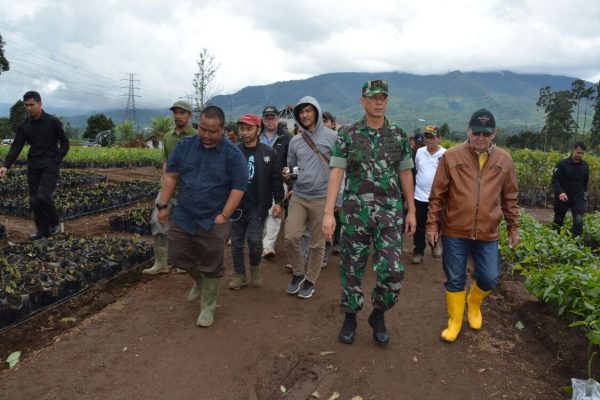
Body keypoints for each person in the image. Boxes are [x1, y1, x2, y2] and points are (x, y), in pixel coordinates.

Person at [322, 80, 416, 346]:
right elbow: (337, 172)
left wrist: (411, 210)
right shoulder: (348, 134)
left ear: (387, 101)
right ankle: (350, 316)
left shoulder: (398, 134)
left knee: (393, 269)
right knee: (352, 267)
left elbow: (405, 172)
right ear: (362, 100)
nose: (378, 102)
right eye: (373, 97)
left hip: (389, 213)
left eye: (383, 97)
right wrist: (329, 212)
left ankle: (378, 313)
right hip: (355, 213)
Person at [426, 108, 520, 343]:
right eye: (476, 132)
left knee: (489, 277)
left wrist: (513, 227)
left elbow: (510, 197)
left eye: (486, 134)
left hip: (488, 233)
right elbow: (438, 194)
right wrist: (432, 225)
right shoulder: (452, 157)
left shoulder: (504, 160)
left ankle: (474, 303)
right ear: (468, 130)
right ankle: (455, 320)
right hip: (455, 230)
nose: (480, 137)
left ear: (494, 133)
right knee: (455, 278)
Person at [157, 106, 247, 327]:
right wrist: (162, 204)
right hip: (185, 213)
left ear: (222, 129)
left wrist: (224, 216)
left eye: (212, 131)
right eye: (203, 130)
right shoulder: (185, 146)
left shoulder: (233, 154)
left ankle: (208, 305)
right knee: (177, 255)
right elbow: (171, 176)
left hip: (213, 218)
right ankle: (199, 280)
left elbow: (238, 188)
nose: (206, 135)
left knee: (212, 262)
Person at [285, 96, 337, 299]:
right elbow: (292, 166)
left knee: (317, 243)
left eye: (309, 110)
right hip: (299, 195)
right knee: (291, 237)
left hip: (322, 198)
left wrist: (337, 201)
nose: (305, 115)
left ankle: (310, 279)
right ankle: (298, 273)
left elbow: (340, 169)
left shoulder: (332, 137)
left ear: (316, 111)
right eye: (301, 112)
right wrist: (289, 176)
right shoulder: (296, 140)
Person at [0, 91, 70, 240]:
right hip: (33, 165)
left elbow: (65, 143)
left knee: (43, 196)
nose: (29, 108)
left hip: (50, 164)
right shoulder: (24, 126)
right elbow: (16, 146)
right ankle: (42, 231)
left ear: (40, 103)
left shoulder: (52, 121)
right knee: (33, 200)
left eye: (31, 105)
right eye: (26, 106)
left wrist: (56, 160)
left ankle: (55, 222)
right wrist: (6, 165)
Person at [229, 114, 285, 290]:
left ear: (258, 130)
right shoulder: (234, 152)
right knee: (236, 243)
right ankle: (239, 275)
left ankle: (254, 267)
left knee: (254, 240)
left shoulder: (269, 153)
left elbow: (276, 180)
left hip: (258, 206)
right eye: (242, 129)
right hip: (236, 206)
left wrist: (279, 202)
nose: (244, 133)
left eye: (248, 129)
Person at [143, 100, 196, 275]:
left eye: (182, 113)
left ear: (190, 115)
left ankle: (183, 262)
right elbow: (166, 161)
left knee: (185, 228)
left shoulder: (197, 137)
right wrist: (164, 179)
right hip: (167, 189)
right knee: (157, 222)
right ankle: (161, 263)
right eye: (175, 113)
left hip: (187, 192)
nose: (178, 116)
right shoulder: (168, 136)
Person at [410, 125, 445, 264]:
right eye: (427, 137)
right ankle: (418, 251)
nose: (429, 140)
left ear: (439, 138)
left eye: (432, 137)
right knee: (418, 225)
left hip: (437, 198)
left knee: (436, 223)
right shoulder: (419, 152)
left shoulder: (445, 154)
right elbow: (415, 171)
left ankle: (435, 245)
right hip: (419, 196)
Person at [260, 106, 291, 259]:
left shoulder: (286, 138)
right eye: (267, 118)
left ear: (278, 119)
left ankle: (268, 246)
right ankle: (262, 241)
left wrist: (289, 170)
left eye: (273, 117)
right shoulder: (256, 136)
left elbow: (293, 160)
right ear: (263, 119)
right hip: (258, 182)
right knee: (260, 213)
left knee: (275, 211)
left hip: (279, 182)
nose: (270, 120)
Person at [551, 141, 589, 237]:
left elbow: (585, 181)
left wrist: (584, 193)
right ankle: (555, 239)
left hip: (578, 198)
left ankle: (576, 242)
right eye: (578, 152)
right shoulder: (562, 164)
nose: (580, 155)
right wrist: (560, 192)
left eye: (582, 153)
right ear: (573, 150)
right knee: (558, 220)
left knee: (578, 221)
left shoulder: (585, 166)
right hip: (563, 197)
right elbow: (555, 180)